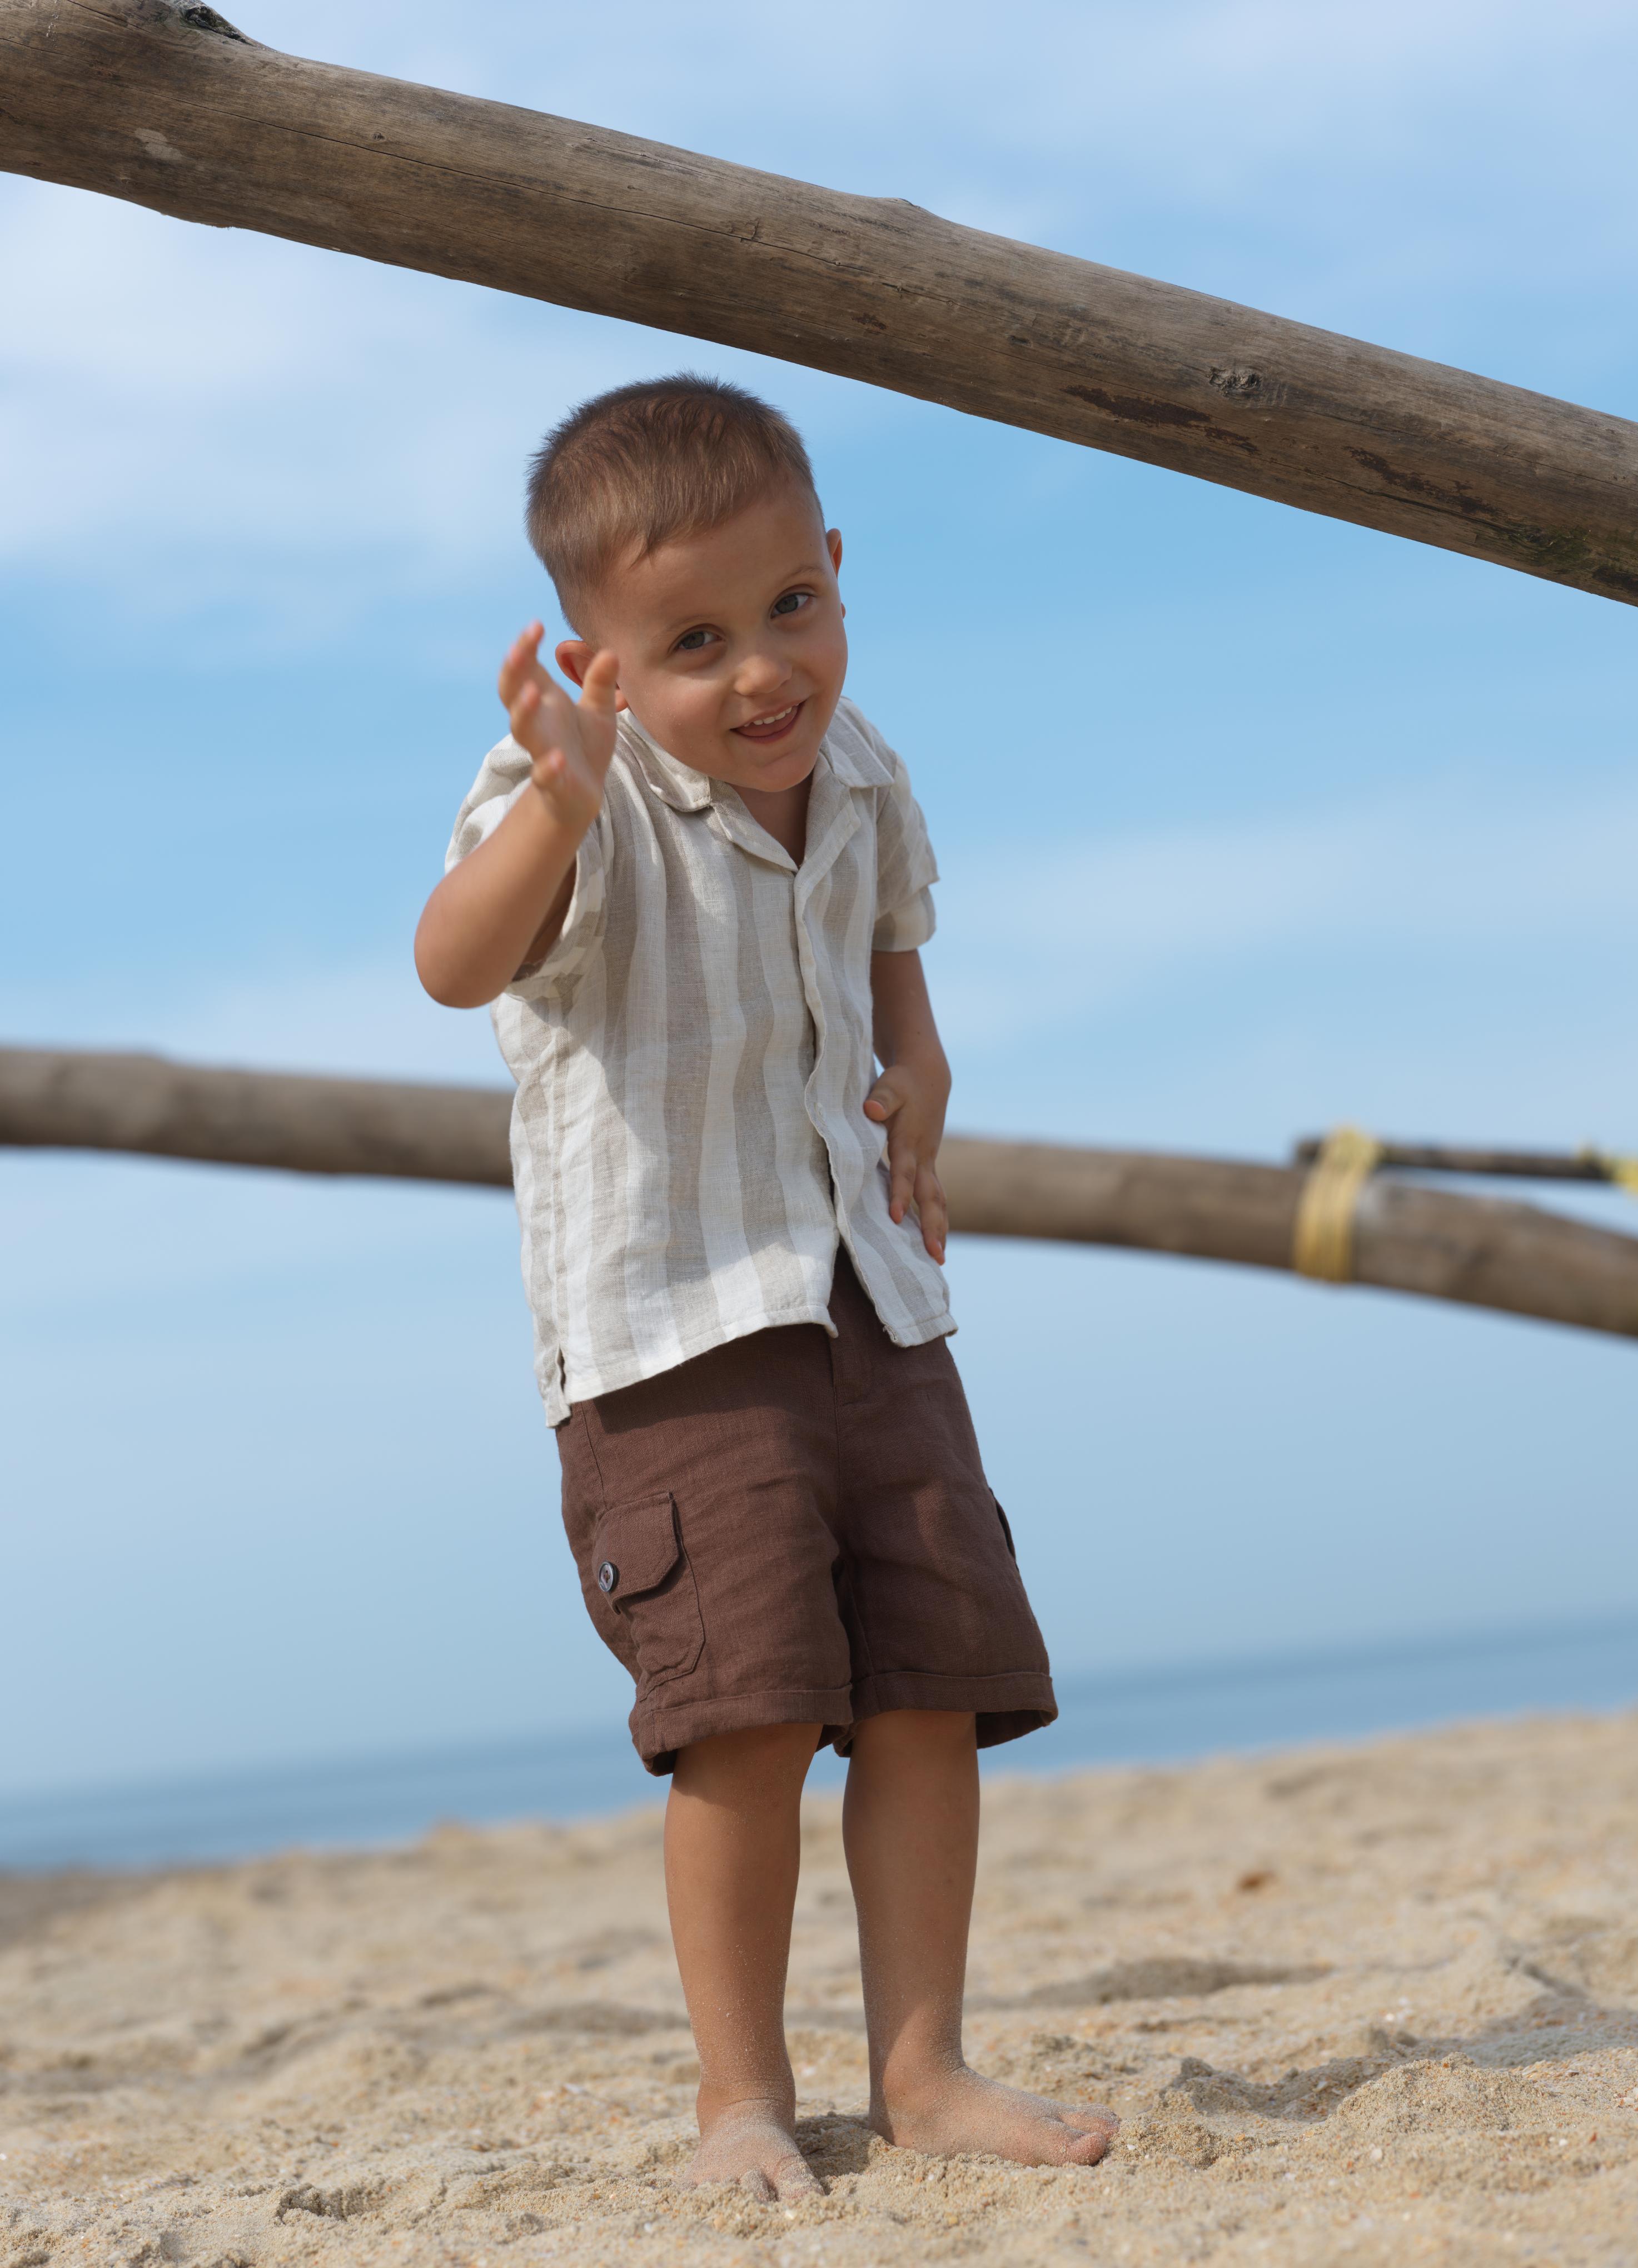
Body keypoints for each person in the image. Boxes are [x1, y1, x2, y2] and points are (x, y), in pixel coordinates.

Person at [414, 375, 1117, 2198]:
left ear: (833, 570)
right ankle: (738, 2094)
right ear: (604, 664)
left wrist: (923, 1066)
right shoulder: (579, 787)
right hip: (670, 1333)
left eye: (788, 607)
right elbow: (447, 960)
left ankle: (925, 2071)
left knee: (929, 1682)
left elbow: (886, 932)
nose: (759, 672)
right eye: (693, 642)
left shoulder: (861, 765)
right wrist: (562, 811)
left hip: (865, 1296)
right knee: (739, 1712)